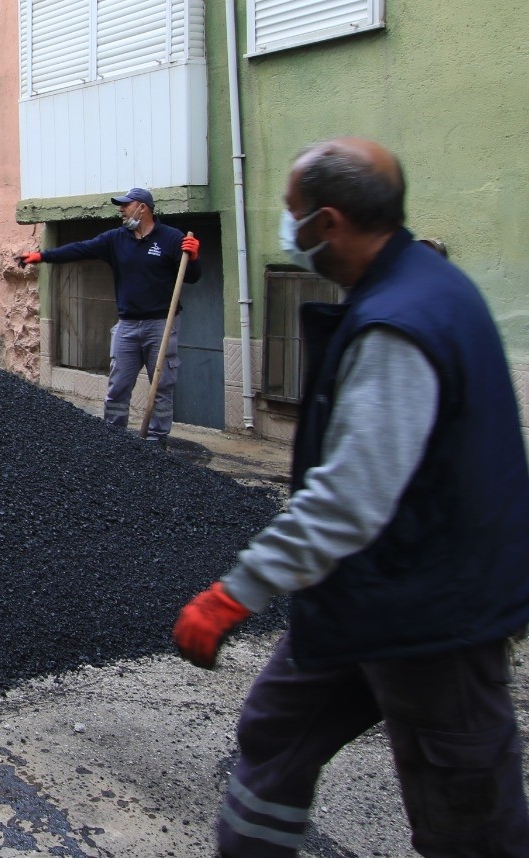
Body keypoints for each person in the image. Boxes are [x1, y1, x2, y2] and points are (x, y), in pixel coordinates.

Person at [172, 138, 529, 855]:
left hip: (433, 618)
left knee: (467, 810)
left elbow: (348, 501)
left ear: (328, 222)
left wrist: (234, 593)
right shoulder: (413, 285)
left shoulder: (402, 322)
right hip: (360, 597)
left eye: (291, 214)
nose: (287, 228)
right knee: (275, 733)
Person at [16, 187, 201, 444]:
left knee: (162, 386)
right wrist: (42, 256)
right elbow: (81, 249)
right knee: (118, 386)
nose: (121, 210)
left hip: (161, 324)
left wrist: (192, 257)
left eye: (126, 205)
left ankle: (157, 440)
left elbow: (191, 278)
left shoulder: (170, 238)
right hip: (127, 325)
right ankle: (114, 439)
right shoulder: (116, 239)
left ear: (142, 208)